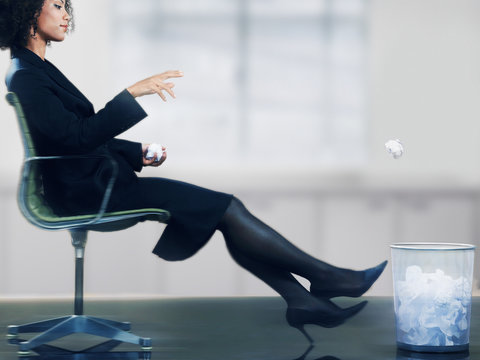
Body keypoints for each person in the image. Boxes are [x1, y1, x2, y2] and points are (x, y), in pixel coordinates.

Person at [0, 0, 387, 343]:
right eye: (57, 6)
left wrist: (138, 153)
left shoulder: (36, 69)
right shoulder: (27, 75)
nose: (67, 15)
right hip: (86, 193)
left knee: (221, 211)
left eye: (68, 7)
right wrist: (131, 94)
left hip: (90, 183)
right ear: (29, 12)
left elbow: (72, 139)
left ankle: (305, 298)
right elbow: (74, 138)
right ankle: (329, 281)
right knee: (226, 209)